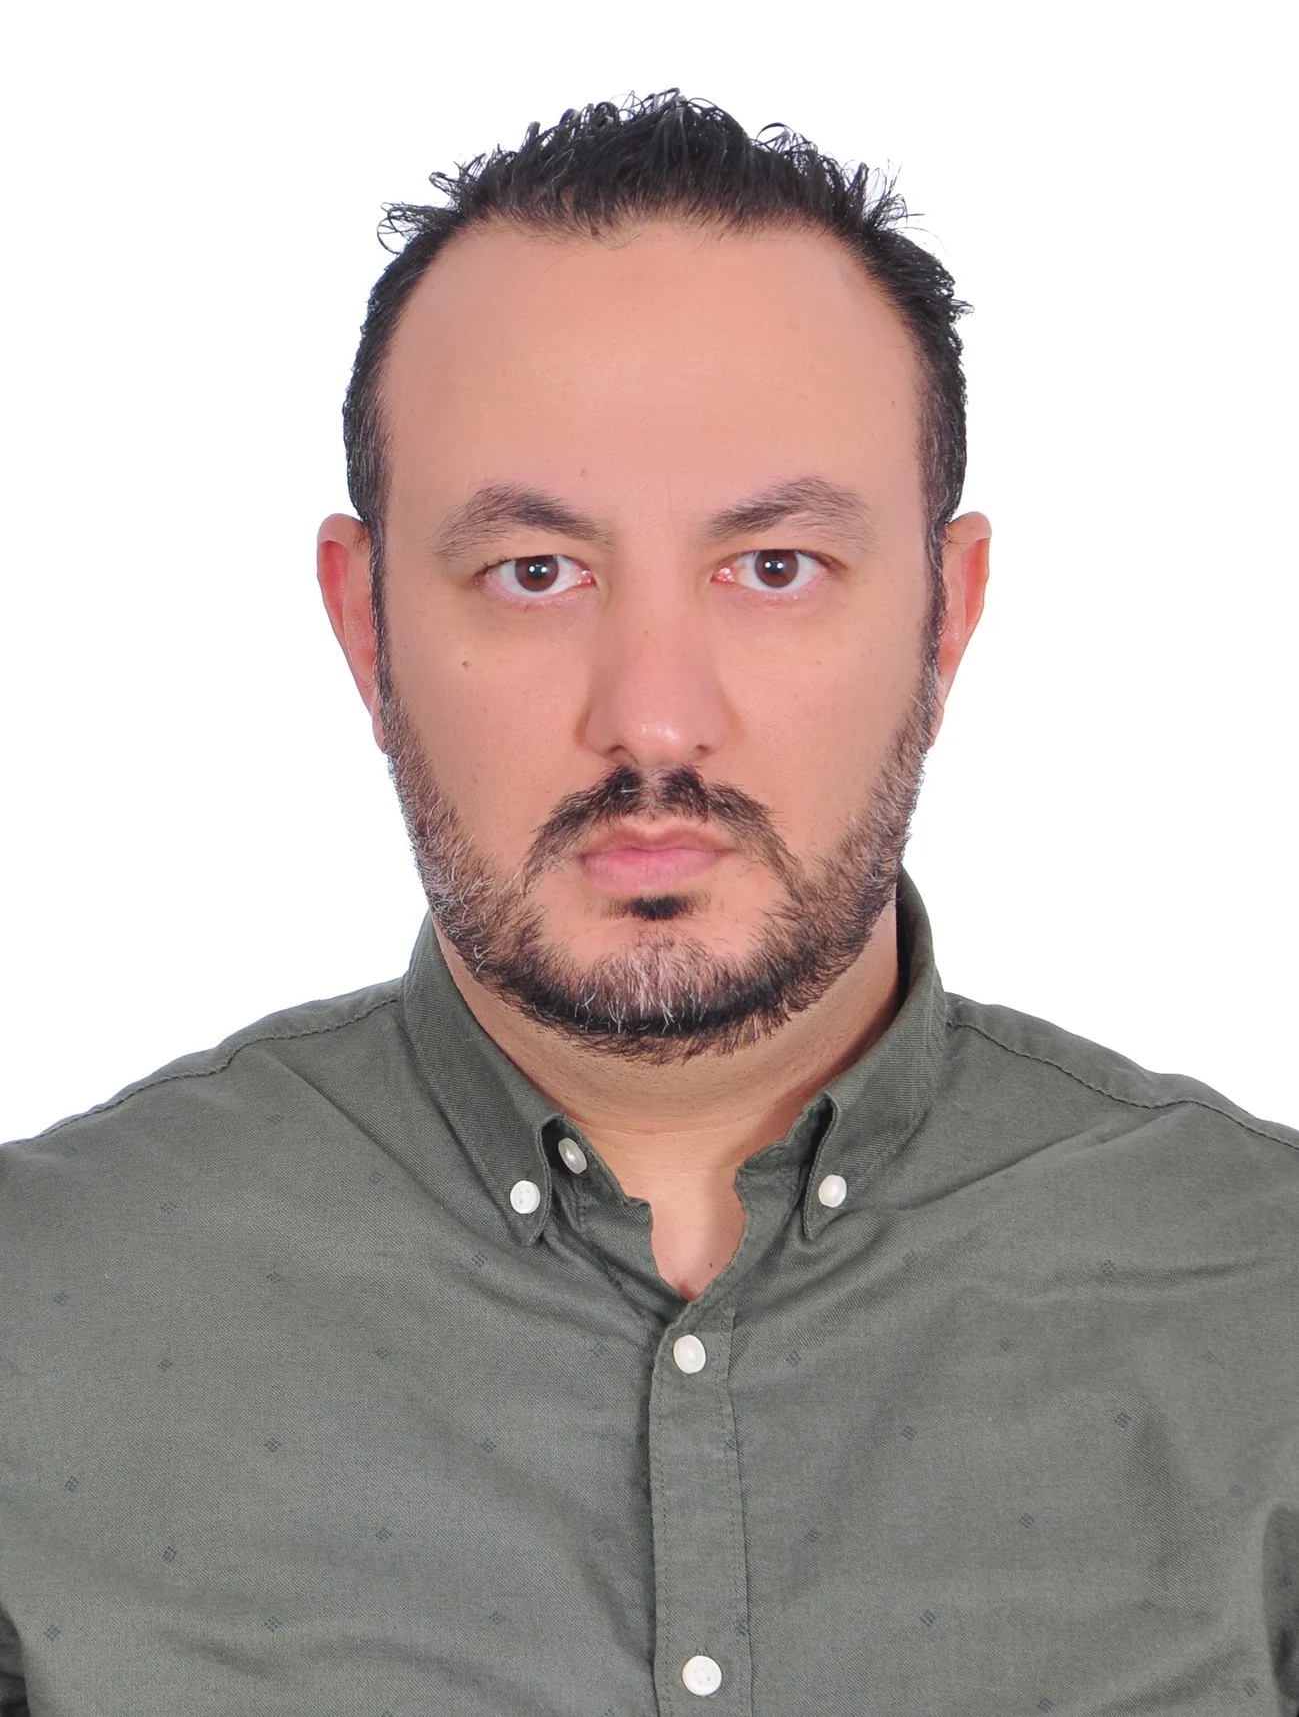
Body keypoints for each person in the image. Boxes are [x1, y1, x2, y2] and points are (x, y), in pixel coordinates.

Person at [2, 90, 1295, 1717]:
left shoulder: (1265, 1304)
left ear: (944, 616)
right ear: (365, 624)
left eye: (772, 568)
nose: (656, 719)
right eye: (536, 573)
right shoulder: (35, 1316)